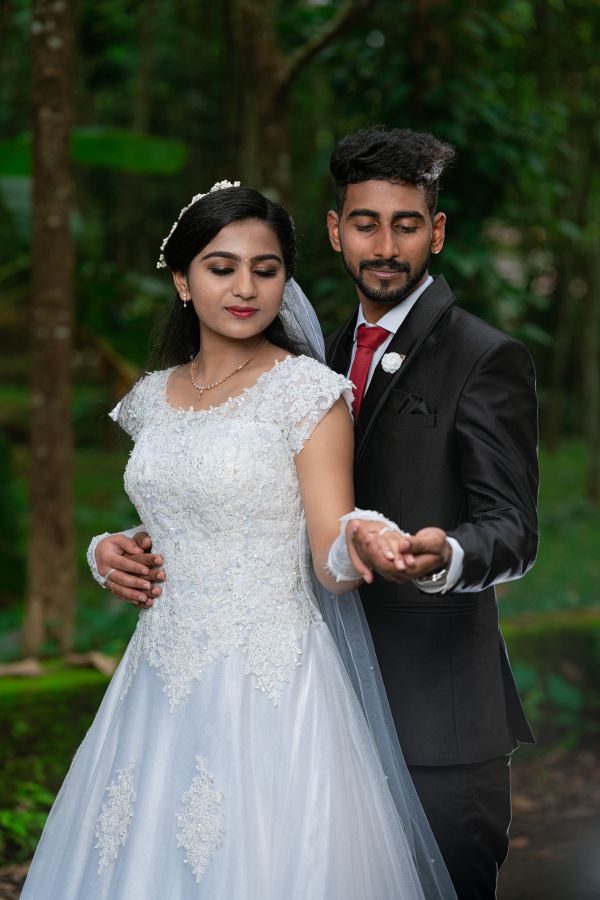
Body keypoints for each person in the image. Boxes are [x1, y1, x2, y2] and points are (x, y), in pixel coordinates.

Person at [97, 128, 539, 899]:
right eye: (366, 222)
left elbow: (512, 526)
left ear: (436, 233)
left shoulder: (483, 355)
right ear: (338, 232)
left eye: (407, 224)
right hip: (294, 702)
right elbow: (248, 498)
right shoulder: (316, 359)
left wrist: (445, 555)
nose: (385, 244)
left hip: (434, 713)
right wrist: (119, 544)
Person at [21, 183, 457, 899]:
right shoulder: (149, 399)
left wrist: (366, 541)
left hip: (269, 682)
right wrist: (105, 549)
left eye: (266, 268)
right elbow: (184, 511)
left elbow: (327, 550)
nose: (245, 287)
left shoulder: (306, 394)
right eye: (221, 267)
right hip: (157, 681)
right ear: (182, 281)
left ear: (286, 279)